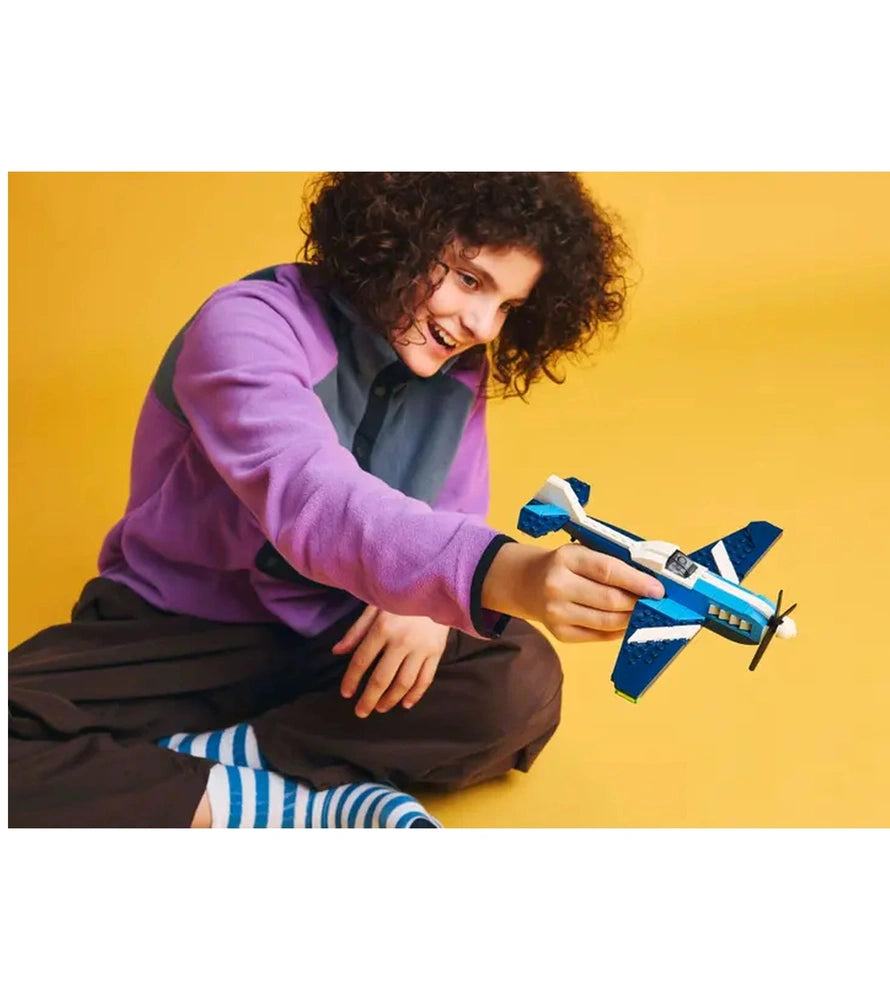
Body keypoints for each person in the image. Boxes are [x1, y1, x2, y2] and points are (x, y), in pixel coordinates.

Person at [8, 172, 664, 828]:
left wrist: (430, 614)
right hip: (175, 625)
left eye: (508, 307)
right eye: (470, 280)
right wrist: (506, 573)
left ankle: (218, 761)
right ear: (399, 234)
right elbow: (312, 501)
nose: (482, 326)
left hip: (340, 638)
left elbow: (453, 513)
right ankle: (275, 798)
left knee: (518, 681)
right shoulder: (246, 323)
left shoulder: (458, 368)